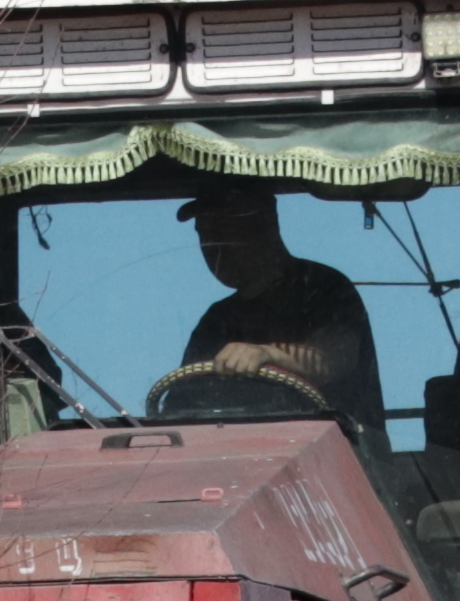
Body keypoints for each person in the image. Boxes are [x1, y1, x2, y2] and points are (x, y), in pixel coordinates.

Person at [151, 178, 380, 425]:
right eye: (205, 234)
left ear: (265, 227)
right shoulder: (217, 319)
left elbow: (336, 358)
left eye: (225, 232)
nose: (213, 248)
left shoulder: (323, 285)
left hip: (344, 450)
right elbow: (181, 403)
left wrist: (266, 354)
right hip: (242, 452)